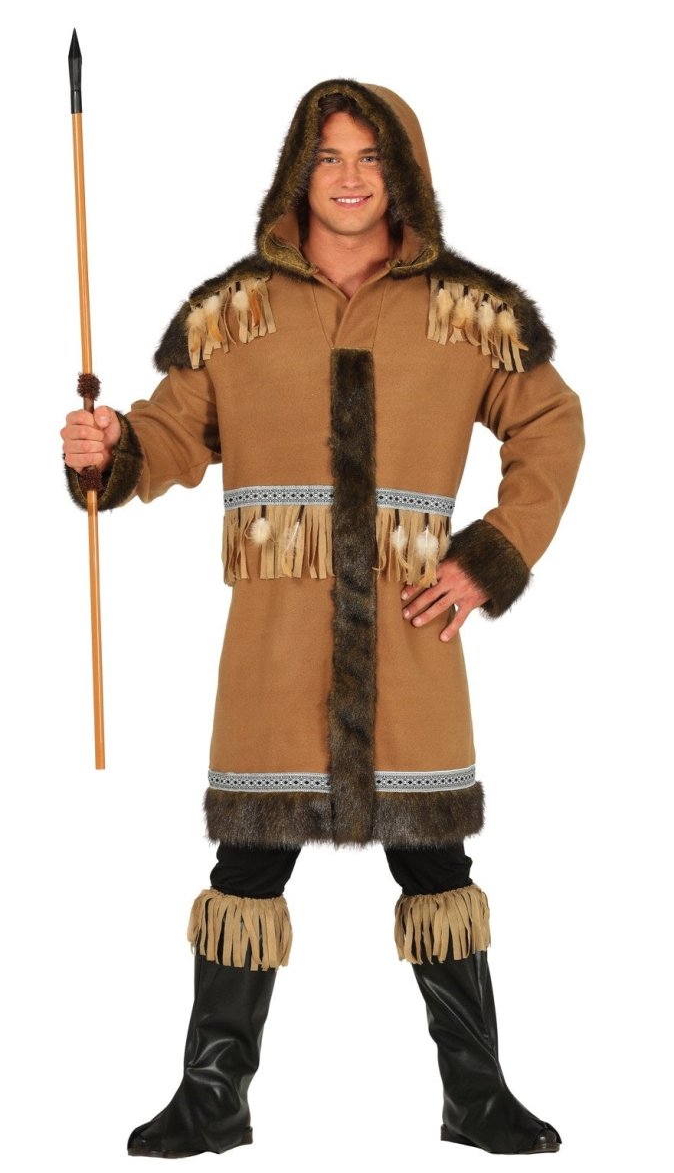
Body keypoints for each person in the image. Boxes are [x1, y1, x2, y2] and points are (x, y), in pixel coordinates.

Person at [61, 79, 585, 1158]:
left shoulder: (466, 312)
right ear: (299, 171)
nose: (349, 179)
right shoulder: (235, 312)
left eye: (370, 158)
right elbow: (170, 436)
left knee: (436, 867)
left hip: (411, 638)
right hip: (277, 646)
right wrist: (110, 453)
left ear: (403, 173)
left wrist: (489, 557)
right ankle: (213, 1099)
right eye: (330, 157)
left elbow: (551, 422)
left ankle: (476, 1098)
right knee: (246, 869)